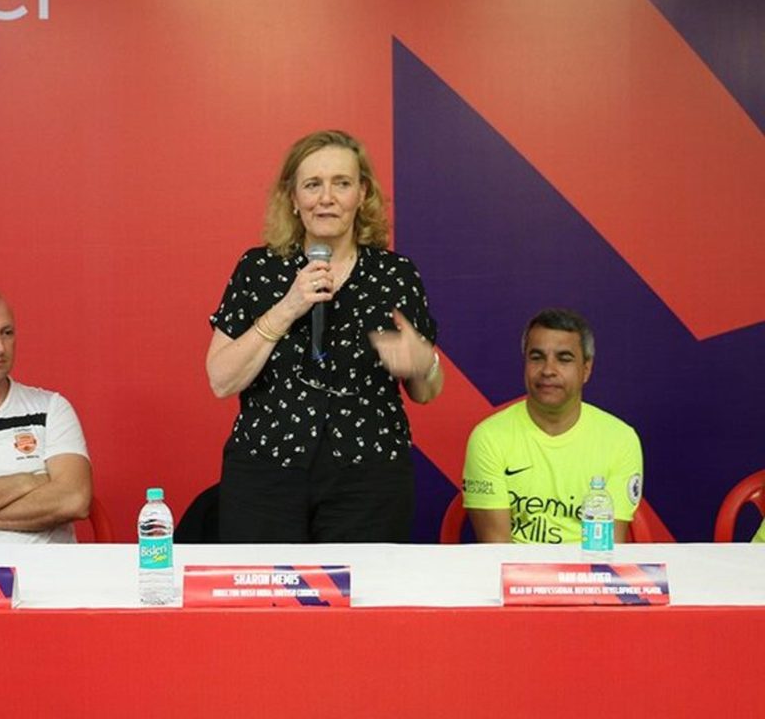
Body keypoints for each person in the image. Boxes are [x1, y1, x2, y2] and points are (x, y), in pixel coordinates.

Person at [206, 129, 443, 543]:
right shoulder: (258, 268)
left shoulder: (396, 275)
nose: (326, 198)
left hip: (370, 478)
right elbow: (221, 380)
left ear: (362, 194)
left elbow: (425, 392)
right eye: (313, 185)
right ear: (293, 198)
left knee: (364, 586)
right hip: (266, 474)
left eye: (342, 183)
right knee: (265, 587)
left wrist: (424, 364)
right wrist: (287, 307)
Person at [462, 308, 642, 543]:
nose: (548, 370)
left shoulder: (620, 440)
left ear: (586, 369)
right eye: (537, 358)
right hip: (515, 567)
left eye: (564, 359)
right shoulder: (488, 437)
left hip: (588, 566)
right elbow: (498, 551)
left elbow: (607, 550)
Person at [0, 287, 92, 542]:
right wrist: (25, 482)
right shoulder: (28, 480)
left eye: (7, 333)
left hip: (44, 566)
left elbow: (74, 500)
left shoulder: (52, 408)